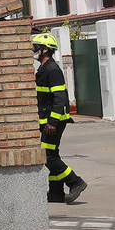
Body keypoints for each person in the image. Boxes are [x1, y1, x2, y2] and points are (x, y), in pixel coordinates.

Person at [34, 32, 87, 204]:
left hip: (54, 121)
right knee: (52, 154)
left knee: (48, 156)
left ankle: (75, 182)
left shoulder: (52, 69)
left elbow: (59, 98)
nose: (34, 51)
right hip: (48, 120)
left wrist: (52, 122)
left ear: (45, 50)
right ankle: (56, 192)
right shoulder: (44, 68)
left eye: (36, 48)